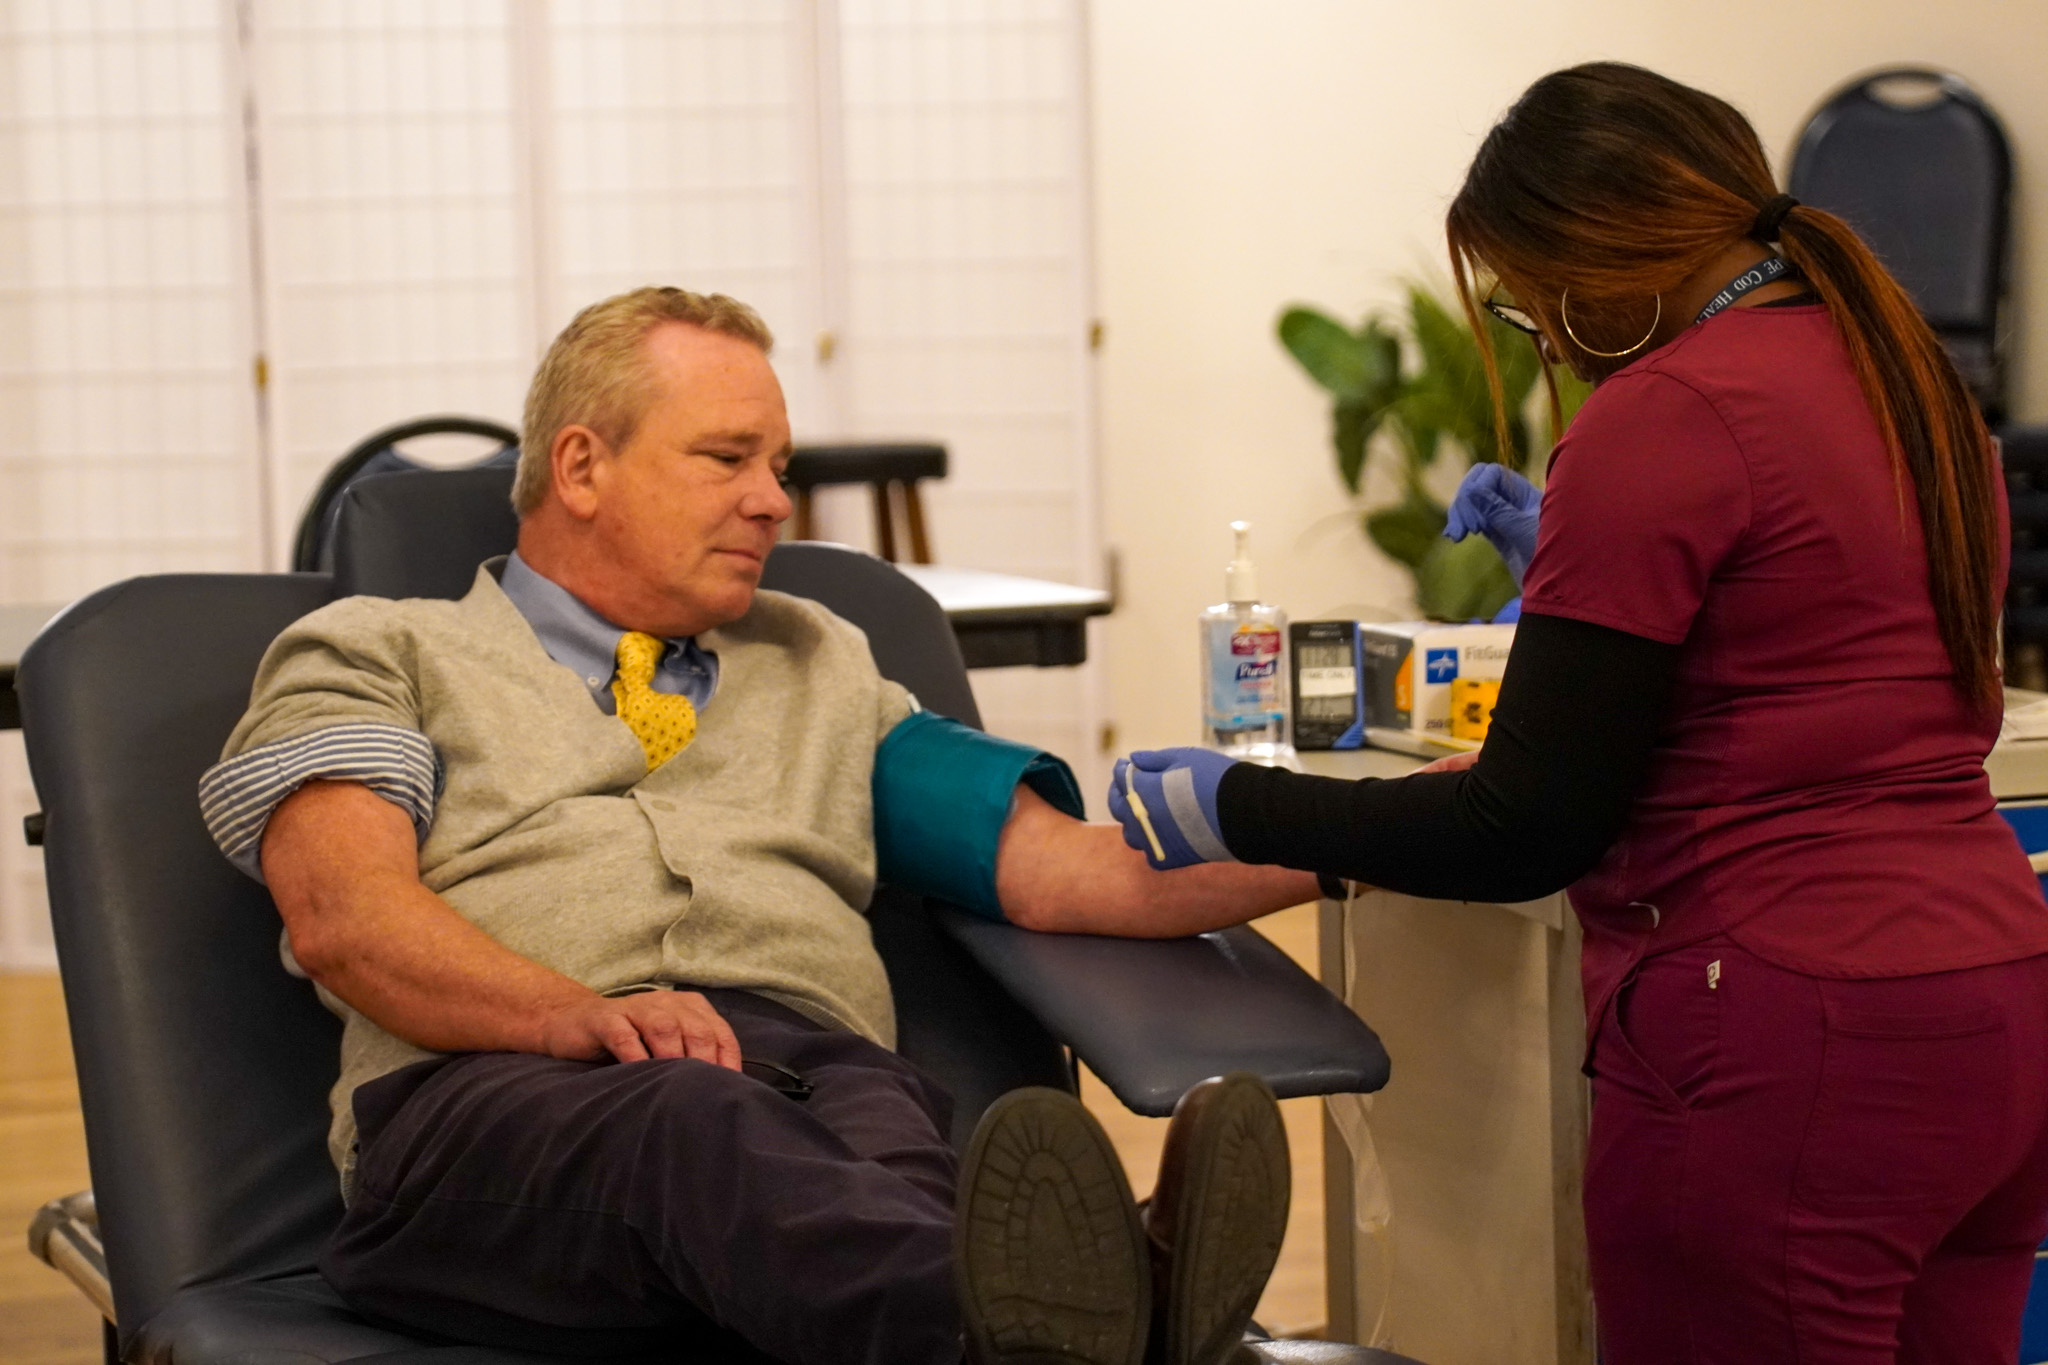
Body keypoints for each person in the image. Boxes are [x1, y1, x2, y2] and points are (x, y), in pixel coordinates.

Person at [1108, 63, 2048, 1365]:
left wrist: (1232, 803)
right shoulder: (1914, 387)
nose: (1538, 340)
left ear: (1603, 266)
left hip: (1789, 1042)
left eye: (1528, 303)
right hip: (1999, 1008)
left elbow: (1524, 824)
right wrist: (1587, 556)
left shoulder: (1663, 416)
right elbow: (1820, 637)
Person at [199, 287, 1322, 1365]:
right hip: (488, 1103)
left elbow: (1067, 872)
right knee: (694, 1124)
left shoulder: (818, 660)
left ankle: (1061, 1322)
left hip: (819, 1080)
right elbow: (347, 915)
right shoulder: (373, 654)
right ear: (581, 466)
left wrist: (1371, 834)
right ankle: (1117, 1295)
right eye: (726, 458)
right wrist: (580, 1016)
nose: (774, 500)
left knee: (892, 1170)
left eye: (777, 467)